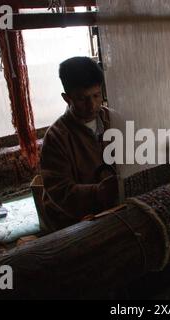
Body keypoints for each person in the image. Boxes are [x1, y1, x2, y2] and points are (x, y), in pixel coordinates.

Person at [40, 56, 118, 232]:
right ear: (67, 98)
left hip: (113, 208)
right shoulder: (56, 137)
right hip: (74, 220)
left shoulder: (114, 120)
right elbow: (59, 192)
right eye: (82, 99)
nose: (92, 105)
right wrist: (98, 192)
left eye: (96, 95)